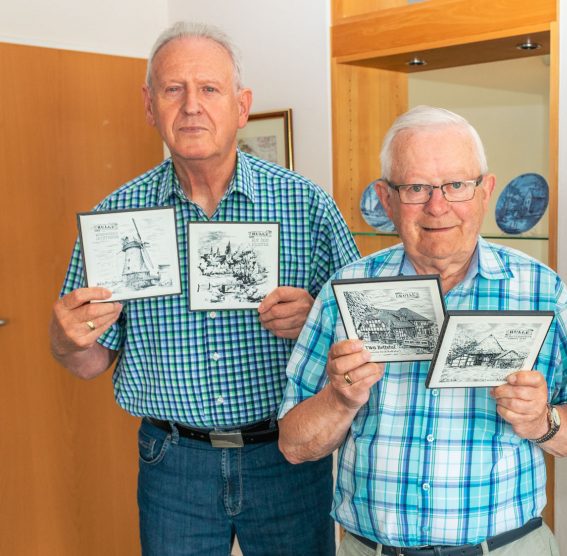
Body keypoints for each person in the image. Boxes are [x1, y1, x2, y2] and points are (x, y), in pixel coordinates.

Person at [49, 21, 358, 555]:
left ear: (241, 106)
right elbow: (89, 361)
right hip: (172, 463)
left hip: (287, 453)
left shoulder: (306, 206)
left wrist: (317, 319)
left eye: (209, 89)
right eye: (174, 89)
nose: (192, 106)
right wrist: (64, 339)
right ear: (150, 105)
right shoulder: (116, 218)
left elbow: (364, 341)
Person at [278, 105, 567, 556]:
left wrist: (541, 420)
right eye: (416, 187)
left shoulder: (541, 291)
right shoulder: (345, 292)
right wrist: (339, 399)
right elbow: (294, 445)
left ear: (485, 190)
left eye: (456, 185)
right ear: (386, 198)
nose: (438, 206)